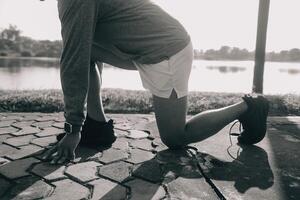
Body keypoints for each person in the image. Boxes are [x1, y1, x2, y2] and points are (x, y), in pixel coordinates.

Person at [43, 0, 269, 164]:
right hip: (144, 49)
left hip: (168, 51)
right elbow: (79, 54)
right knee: (86, 51)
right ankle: (97, 126)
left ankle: (249, 107)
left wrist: (73, 129)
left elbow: (73, 63)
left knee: (175, 137)